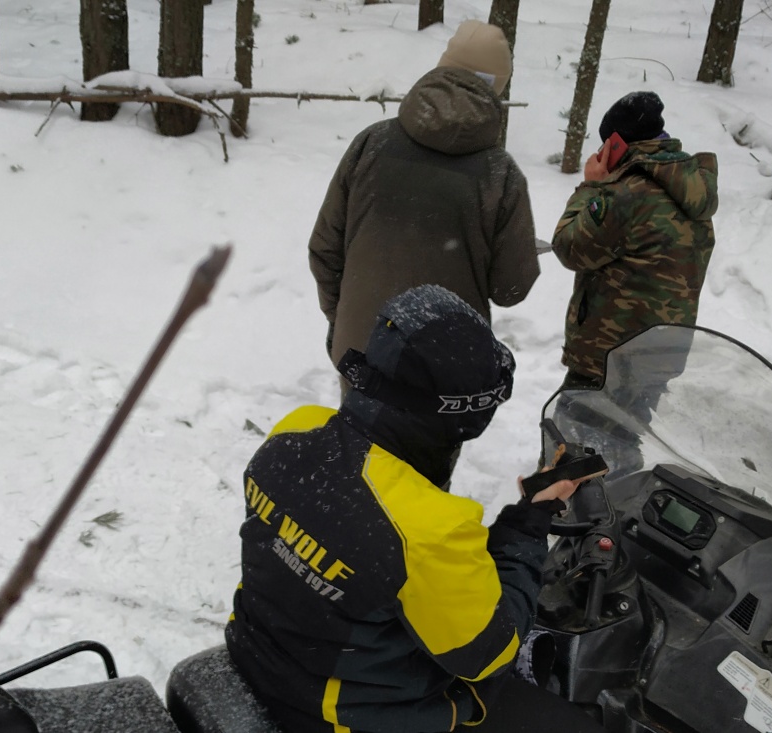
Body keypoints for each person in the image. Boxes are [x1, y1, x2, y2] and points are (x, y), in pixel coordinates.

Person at [225, 285, 602, 733]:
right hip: (340, 716)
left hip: (261, 660)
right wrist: (529, 524)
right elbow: (489, 652)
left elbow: (360, 546)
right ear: (463, 415)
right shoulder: (428, 529)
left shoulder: (294, 431)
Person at [308, 21, 540, 379]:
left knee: (360, 436)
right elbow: (510, 289)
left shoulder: (372, 144)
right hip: (446, 368)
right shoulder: (499, 174)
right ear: (496, 86)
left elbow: (325, 249)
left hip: (361, 352)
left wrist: (342, 318)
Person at [551, 91, 718, 391]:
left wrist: (591, 186)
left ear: (617, 144)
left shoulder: (628, 195)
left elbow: (568, 247)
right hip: (658, 357)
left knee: (570, 435)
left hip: (609, 358)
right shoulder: (692, 188)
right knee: (627, 438)